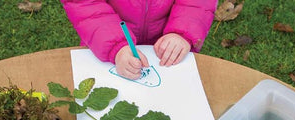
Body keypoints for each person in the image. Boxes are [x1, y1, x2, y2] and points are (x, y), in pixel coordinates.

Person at [60, 0, 217, 79]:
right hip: (106, 40)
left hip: (166, 46)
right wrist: (116, 46)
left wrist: (182, 32)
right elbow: (87, 6)